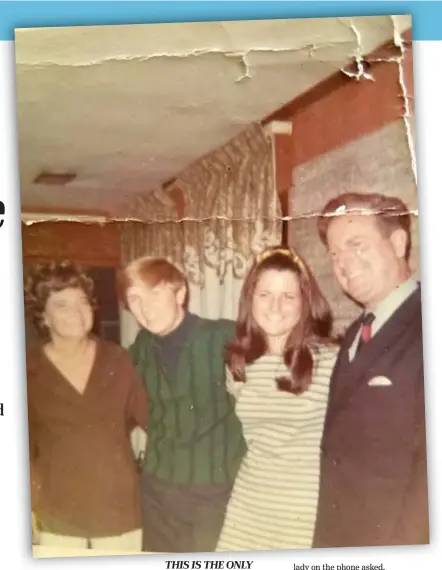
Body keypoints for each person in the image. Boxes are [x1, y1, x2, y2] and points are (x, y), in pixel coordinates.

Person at [313, 192, 429, 548]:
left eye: (357, 244)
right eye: (335, 253)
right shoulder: (354, 334)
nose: (344, 262)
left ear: (398, 242)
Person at [118, 256, 247, 553]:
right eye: (135, 300)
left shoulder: (225, 336)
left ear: (180, 293)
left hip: (214, 492)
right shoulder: (140, 349)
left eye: (154, 293)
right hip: (157, 490)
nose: (145, 308)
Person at [215, 246, 338, 552]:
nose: (275, 306)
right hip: (249, 505)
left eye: (289, 296)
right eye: (265, 295)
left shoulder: (331, 362)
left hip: (304, 512)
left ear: (304, 303)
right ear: (250, 300)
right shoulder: (238, 365)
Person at [25, 261, 148, 551]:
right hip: (59, 513)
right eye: (62, 305)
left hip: (118, 511)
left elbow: (156, 421)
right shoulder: (26, 370)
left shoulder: (118, 360)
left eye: (82, 302)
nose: (77, 312)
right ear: (44, 315)